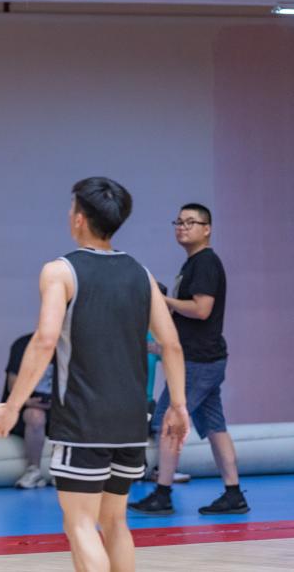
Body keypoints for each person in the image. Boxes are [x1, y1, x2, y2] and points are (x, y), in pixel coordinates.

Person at [0, 177, 190, 572]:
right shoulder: (141, 273)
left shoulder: (59, 271)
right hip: (132, 418)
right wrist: (178, 406)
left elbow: (45, 341)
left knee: (79, 523)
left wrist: (12, 407)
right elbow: (172, 345)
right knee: (115, 522)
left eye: (70, 208)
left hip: (82, 419)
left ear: (79, 218)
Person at [130, 204, 248, 516]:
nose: (182, 226)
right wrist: (157, 346)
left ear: (207, 229)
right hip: (204, 358)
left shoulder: (205, 262)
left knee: (167, 422)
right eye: (179, 222)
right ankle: (234, 494)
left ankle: (163, 494)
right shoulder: (193, 263)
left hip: (198, 362)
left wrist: (163, 299)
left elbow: (201, 310)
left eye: (191, 222)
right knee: (215, 427)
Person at [1, 333, 52, 489]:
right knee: (35, 415)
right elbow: (13, 384)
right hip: (22, 412)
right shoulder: (23, 345)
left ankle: (65, 472)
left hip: (59, 411)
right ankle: (33, 470)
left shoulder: (71, 347)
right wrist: (27, 401)